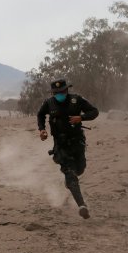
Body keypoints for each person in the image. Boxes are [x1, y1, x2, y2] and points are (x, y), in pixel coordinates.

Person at [37, 79, 99, 219]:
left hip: (77, 143)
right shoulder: (48, 103)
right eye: (56, 93)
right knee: (70, 173)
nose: (60, 94)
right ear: (53, 93)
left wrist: (81, 117)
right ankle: (82, 206)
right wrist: (42, 130)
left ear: (67, 90)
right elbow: (40, 115)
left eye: (62, 91)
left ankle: (69, 182)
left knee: (80, 169)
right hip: (61, 145)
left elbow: (95, 112)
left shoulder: (77, 100)